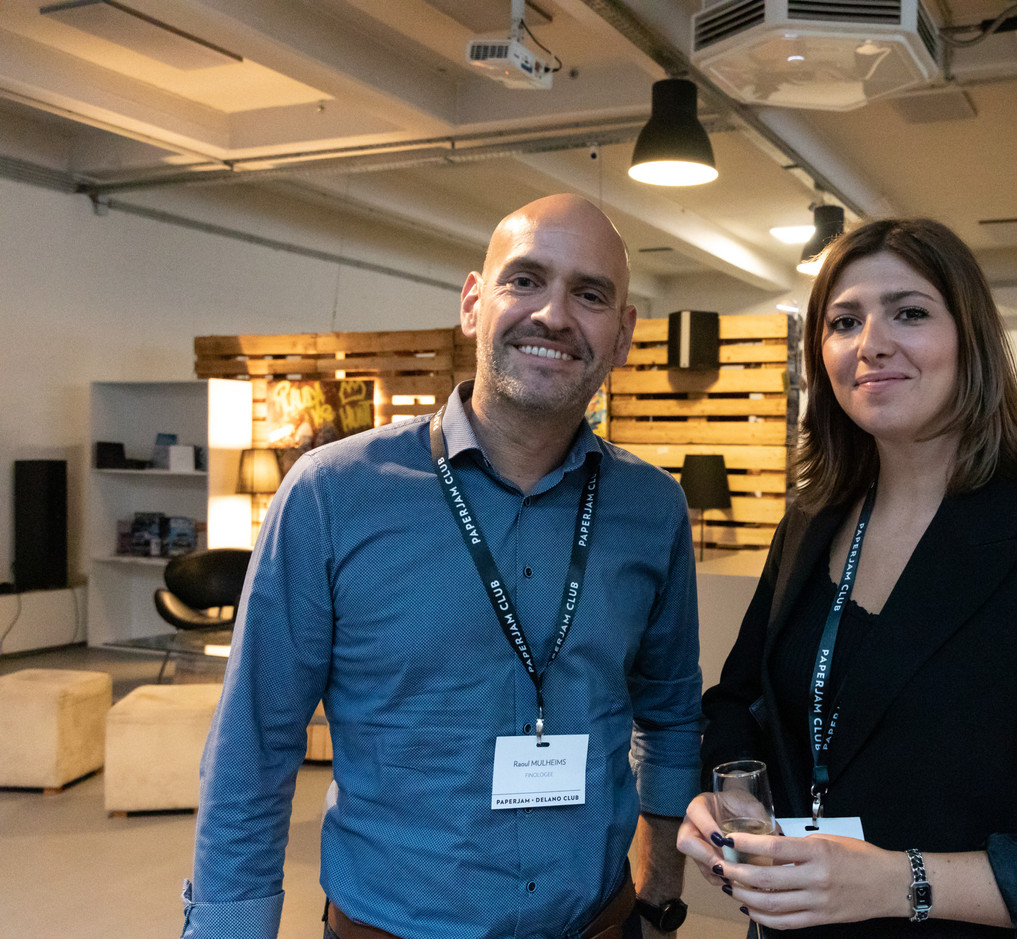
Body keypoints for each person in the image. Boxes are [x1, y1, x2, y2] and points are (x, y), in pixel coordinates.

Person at [182, 194, 703, 939]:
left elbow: (673, 712)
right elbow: (254, 744)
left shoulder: (651, 511)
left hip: (602, 924)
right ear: (472, 303)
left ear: (622, 335)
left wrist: (660, 899)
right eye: (525, 280)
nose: (554, 314)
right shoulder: (333, 494)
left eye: (589, 294)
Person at [678, 218, 1017, 937]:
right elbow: (740, 701)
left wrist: (895, 880)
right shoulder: (810, 523)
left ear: (969, 340)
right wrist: (728, 801)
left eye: (909, 312)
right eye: (844, 320)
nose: (871, 342)